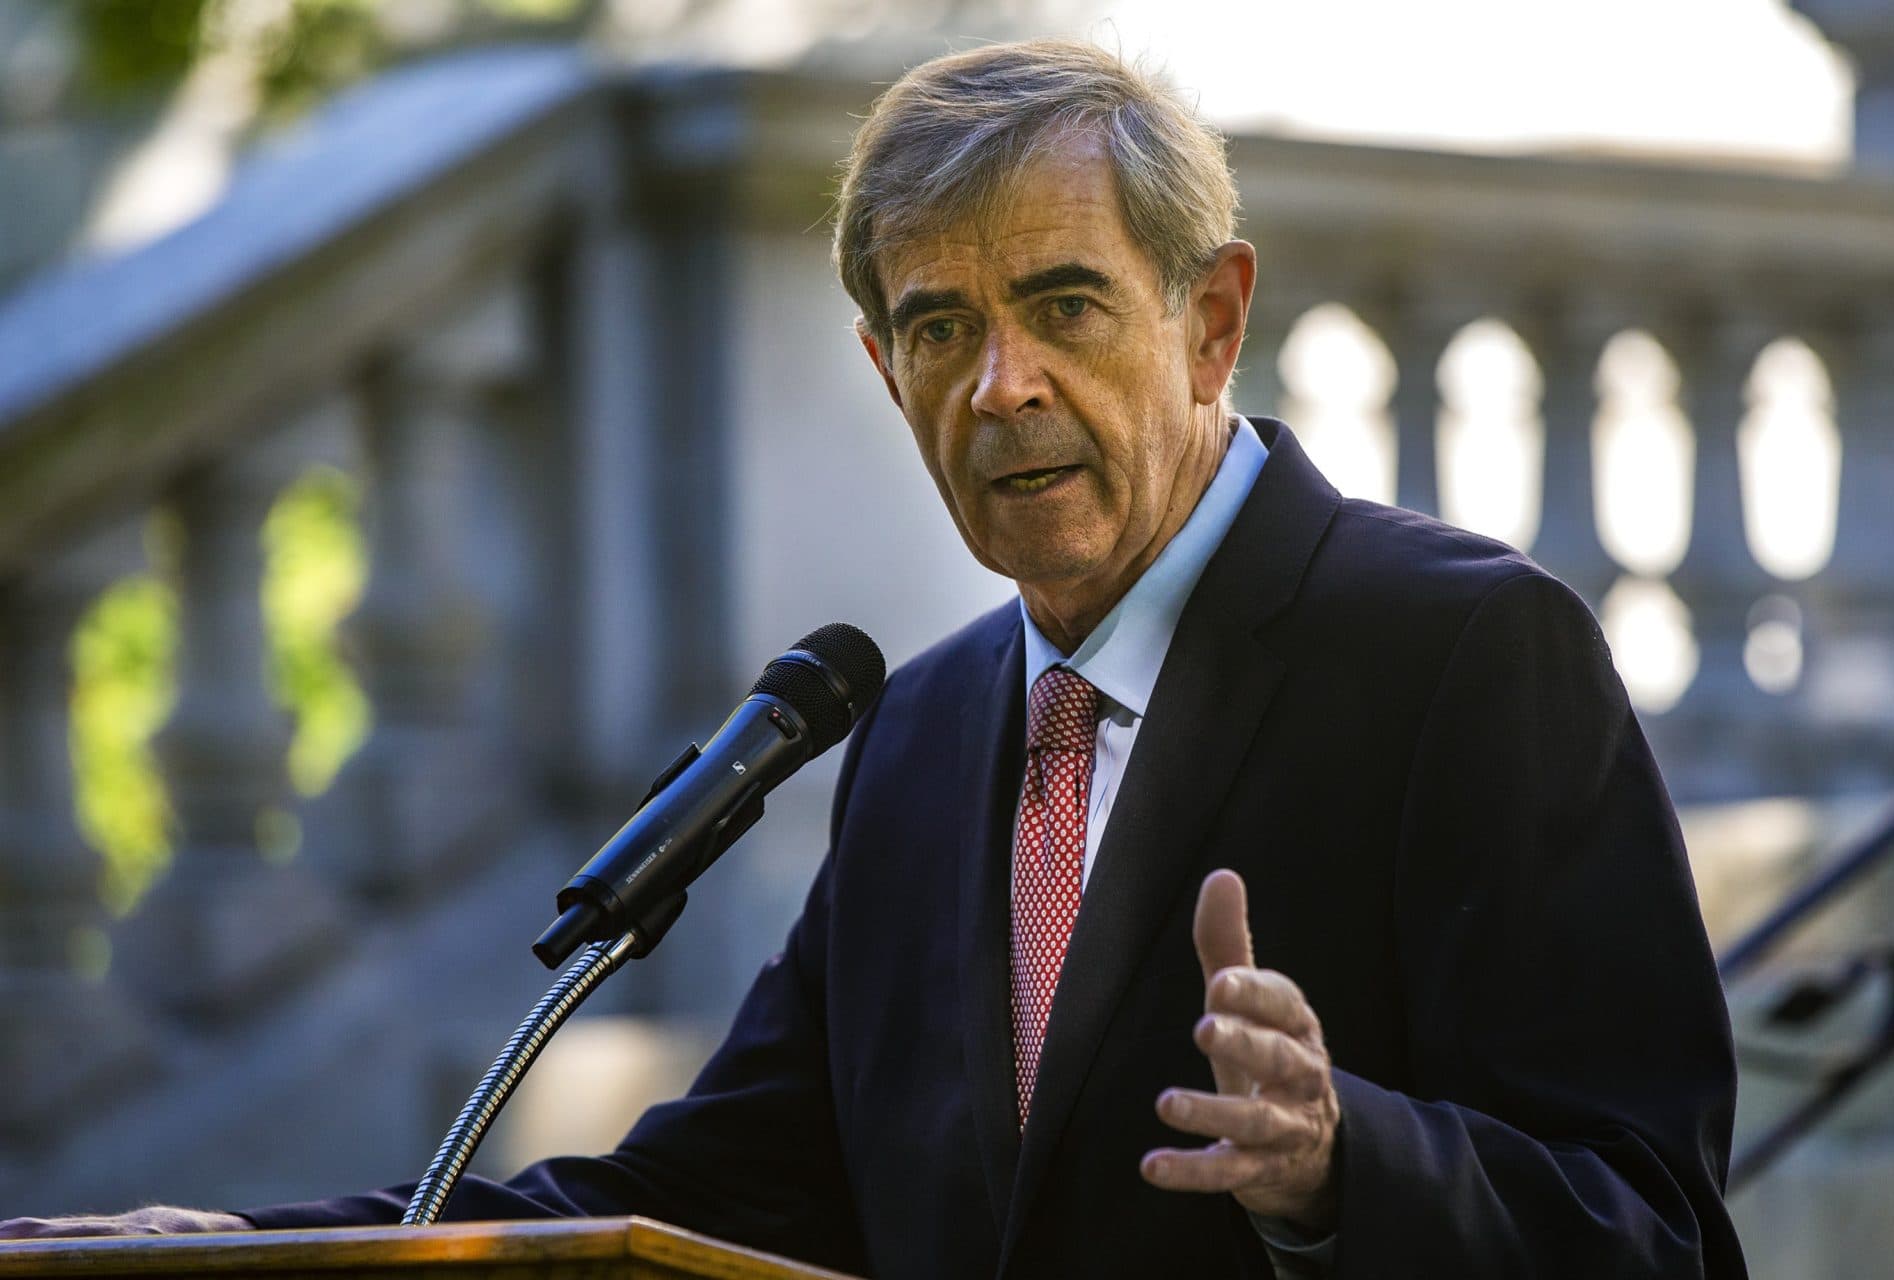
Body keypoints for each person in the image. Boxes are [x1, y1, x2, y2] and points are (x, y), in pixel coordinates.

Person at [1, 38, 1745, 1279]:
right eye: (939, 328)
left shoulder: (1459, 654)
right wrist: (239, 1247)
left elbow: (1657, 1230)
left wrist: (1345, 1167)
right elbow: (717, 1195)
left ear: (1210, 320)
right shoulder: (920, 736)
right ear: (881, 363)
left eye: (1064, 306)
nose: (1001, 387)